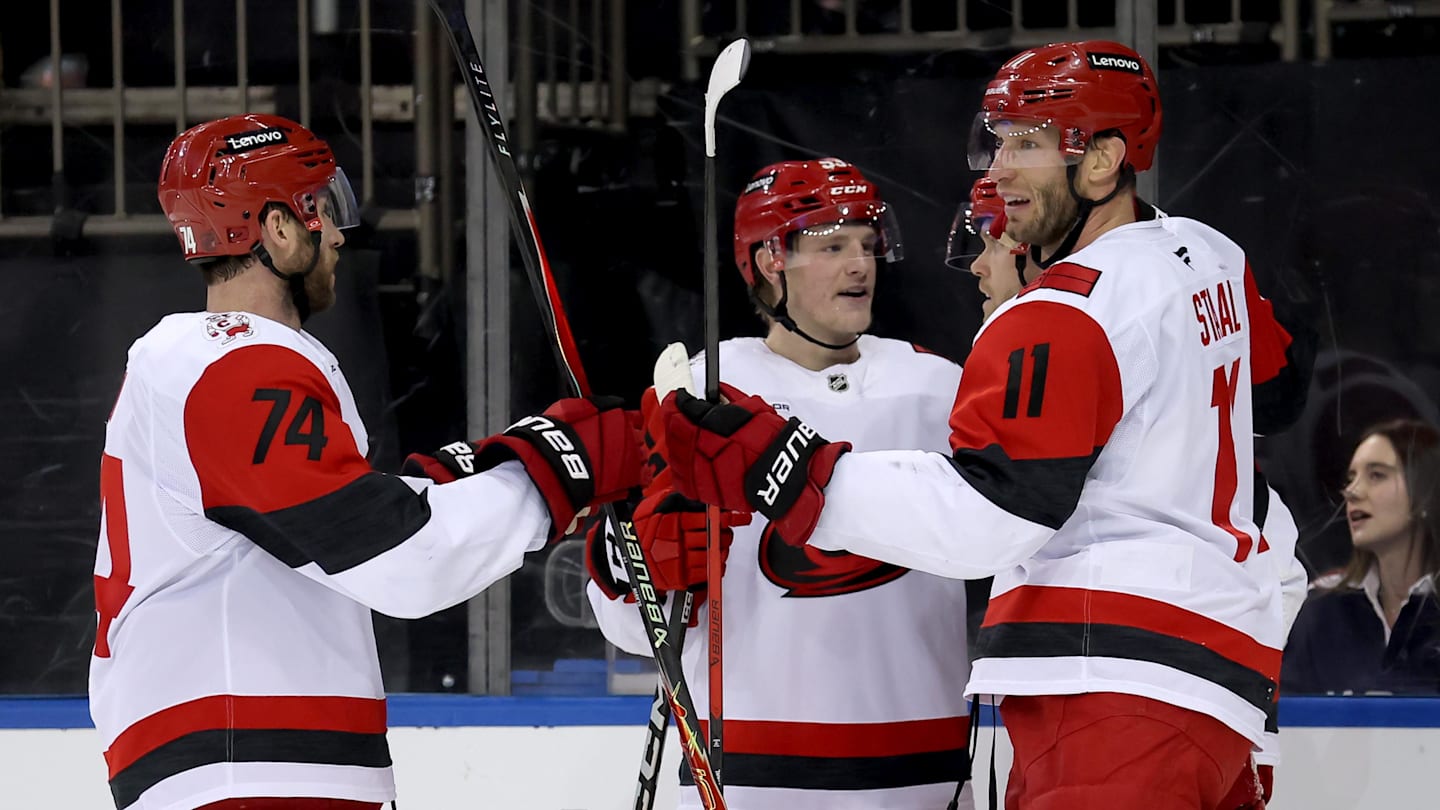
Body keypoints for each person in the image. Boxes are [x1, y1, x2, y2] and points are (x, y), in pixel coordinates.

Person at [652, 42, 1312, 810]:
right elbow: (1279, 394)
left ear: (1101, 161)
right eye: (996, 139)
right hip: (1220, 691)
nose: (998, 168)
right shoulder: (1206, 254)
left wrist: (782, 463)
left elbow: (989, 517)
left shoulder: (1063, 315)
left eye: (1027, 143)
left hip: (1112, 692)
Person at [90, 113, 646, 810]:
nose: (338, 236)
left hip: (262, 767)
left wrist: (515, 458)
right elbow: (401, 553)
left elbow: (352, 510)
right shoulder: (231, 365)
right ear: (278, 229)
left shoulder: (212, 367)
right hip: (248, 772)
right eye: (320, 207)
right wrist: (562, 468)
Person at [587, 157, 975, 809]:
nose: (861, 264)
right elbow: (634, 627)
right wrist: (639, 564)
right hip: (748, 777)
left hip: (923, 772)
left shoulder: (942, 389)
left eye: (867, 244)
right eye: (833, 246)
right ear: (770, 260)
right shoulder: (700, 394)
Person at [1283, 419, 1440, 694]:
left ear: (1426, 490)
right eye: (1351, 478)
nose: (1352, 492)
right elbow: (1290, 723)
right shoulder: (1319, 611)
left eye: (1377, 475)